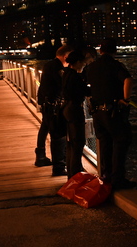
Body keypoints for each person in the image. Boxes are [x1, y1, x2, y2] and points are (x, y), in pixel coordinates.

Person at [86, 38, 136, 190]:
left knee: (105, 143)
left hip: (96, 112)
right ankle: (117, 178)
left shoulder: (91, 67)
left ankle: (105, 175)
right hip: (112, 110)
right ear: (115, 51)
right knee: (121, 141)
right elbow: (128, 79)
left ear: (100, 51)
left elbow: (87, 85)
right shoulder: (115, 65)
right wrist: (126, 99)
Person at [36, 45, 73, 176]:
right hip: (53, 105)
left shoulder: (49, 64)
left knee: (44, 127)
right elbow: (63, 84)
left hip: (45, 102)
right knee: (57, 135)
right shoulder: (58, 67)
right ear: (65, 56)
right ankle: (59, 166)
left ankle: (40, 156)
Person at [62, 49, 96, 179]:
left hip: (67, 109)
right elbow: (86, 91)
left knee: (71, 143)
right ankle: (75, 175)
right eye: (82, 62)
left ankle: (72, 173)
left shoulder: (66, 73)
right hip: (75, 110)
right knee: (78, 143)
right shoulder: (75, 76)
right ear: (77, 62)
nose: (84, 65)